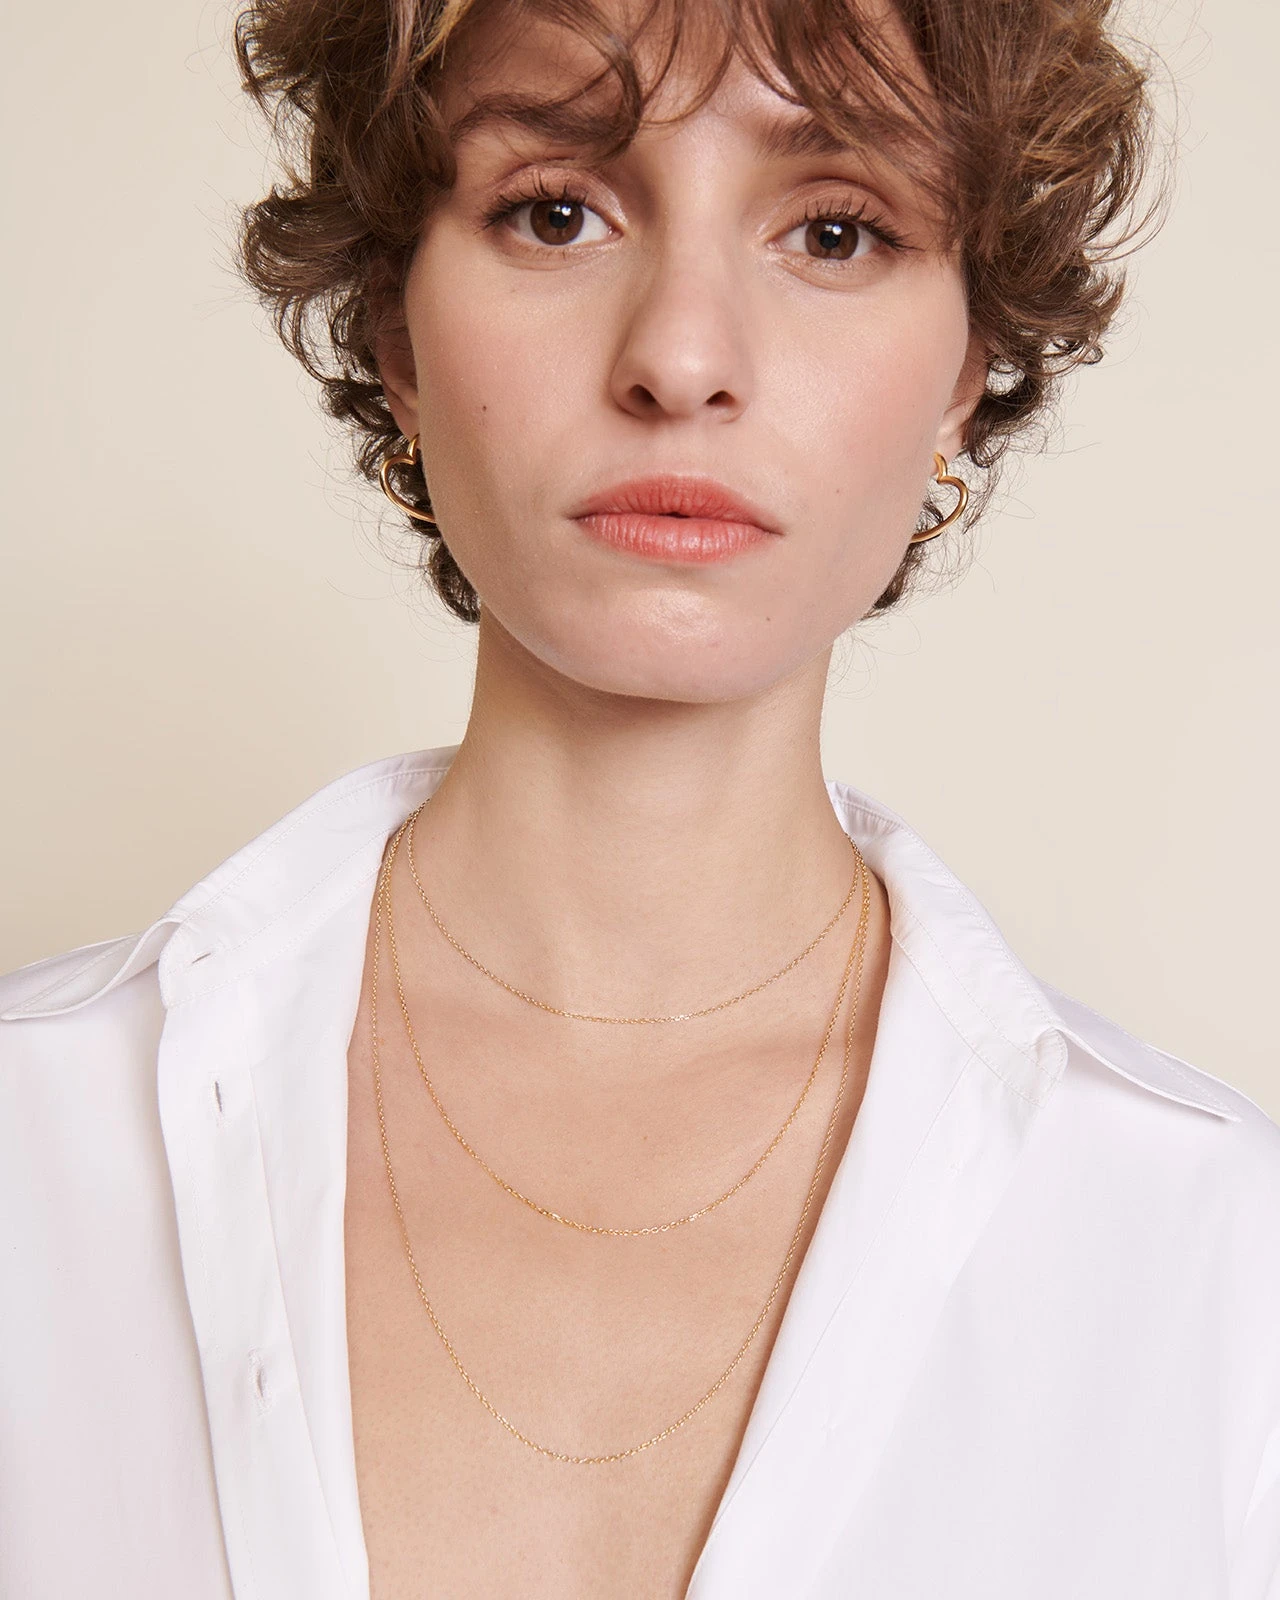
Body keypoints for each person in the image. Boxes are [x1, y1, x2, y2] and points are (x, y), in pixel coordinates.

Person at [2, 0, 1278, 1595]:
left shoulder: (1209, 1257)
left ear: (969, 367)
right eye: (557, 212)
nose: (680, 359)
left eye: (834, 230)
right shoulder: (31, 1149)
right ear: (395, 329)